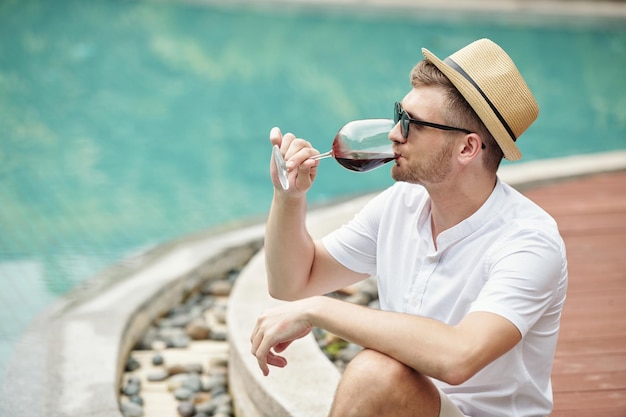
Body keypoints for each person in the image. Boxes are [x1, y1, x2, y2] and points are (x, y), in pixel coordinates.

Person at [250, 38, 568, 417]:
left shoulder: (528, 241)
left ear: (467, 148)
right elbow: (292, 282)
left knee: (375, 374)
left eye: (412, 124)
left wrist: (319, 311)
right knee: (379, 375)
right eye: (399, 114)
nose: (394, 134)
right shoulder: (401, 205)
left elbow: (459, 356)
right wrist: (289, 197)